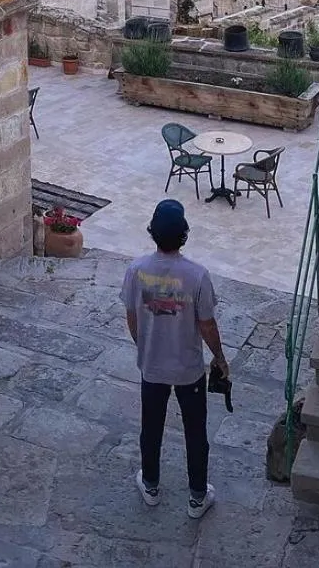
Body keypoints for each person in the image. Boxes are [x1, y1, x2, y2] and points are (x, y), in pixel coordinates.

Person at [120, 199, 228, 519]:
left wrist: (145, 345)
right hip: (188, 369)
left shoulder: (136, 270)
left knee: (151, 427)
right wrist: (219, 357)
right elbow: (207, 324)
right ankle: (197, 496)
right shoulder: (197, 275)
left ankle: (150, 485)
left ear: (153, 232)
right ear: (184, 234)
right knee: (195, 431)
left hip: (152, 366)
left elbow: (131, 316)